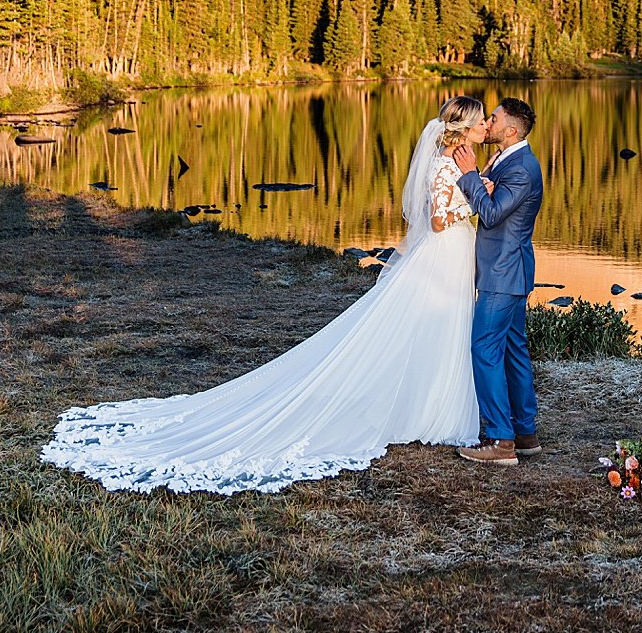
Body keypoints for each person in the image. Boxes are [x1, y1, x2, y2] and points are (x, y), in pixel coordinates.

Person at [40, 96, 487, 493]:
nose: (485, 127)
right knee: (429, 328)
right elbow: (437, 222)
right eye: (481, 122)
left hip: (450, 259)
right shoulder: (447, 166)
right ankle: (428, 412)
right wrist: (475, 198)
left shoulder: (451, 162)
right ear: (462, 130)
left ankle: (428, 407)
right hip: (441, 256)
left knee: (435, 331)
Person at [451, 97, 543, 467]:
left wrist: (471, 175)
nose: (488, 123)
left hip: (503, 274)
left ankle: (503, 442)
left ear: (510, 131)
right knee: (514, 351)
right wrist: (485, 175)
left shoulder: (522, 168)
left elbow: (489, 215)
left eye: (494, 118)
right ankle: (525, 434)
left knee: (484, 349)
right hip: (510, 271)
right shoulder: (510, 161)